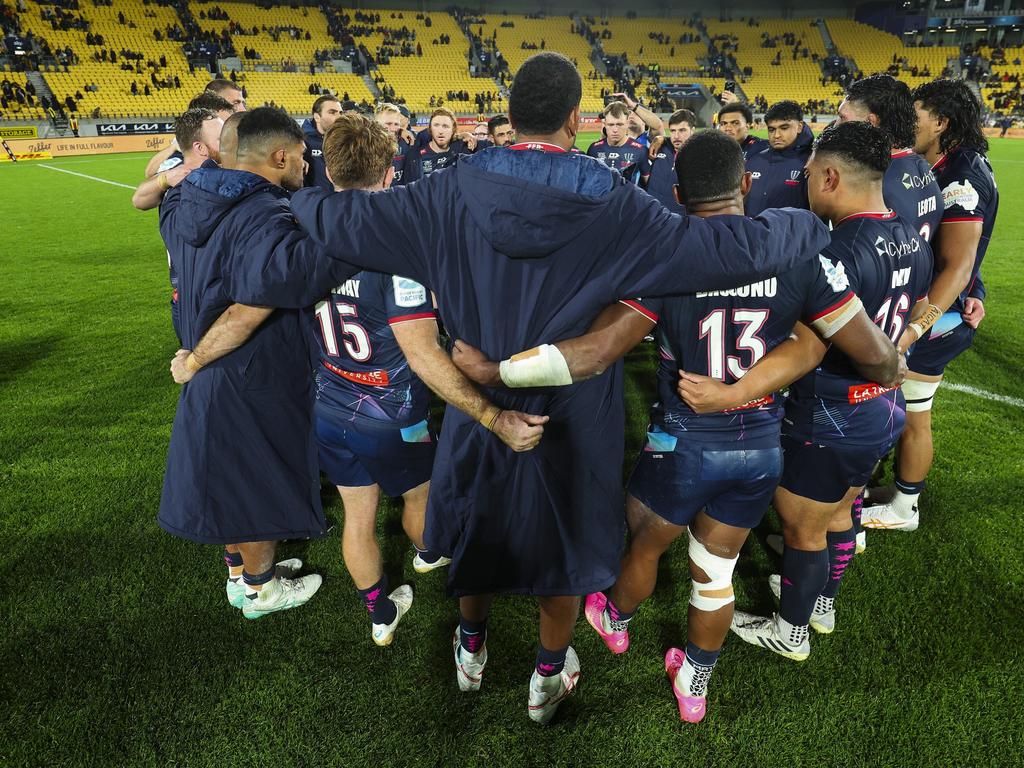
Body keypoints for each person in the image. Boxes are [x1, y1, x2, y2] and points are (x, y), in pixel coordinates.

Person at [288, 52, 830, 724]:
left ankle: (471, 651)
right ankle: (546, 678)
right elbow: (727, 250)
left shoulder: (442, 192)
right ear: (578, 118)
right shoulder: (619, 204)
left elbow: (336, 218)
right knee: (567, 562)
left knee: (477, 542)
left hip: (477, 412)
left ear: (509, 117)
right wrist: (808, 221)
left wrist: (296, 189)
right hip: (574, 421)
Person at [449, 128, 901, 724]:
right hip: (761, 448)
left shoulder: (666, 256)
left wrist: (494, 368)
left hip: (682, 445)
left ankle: (615, 622)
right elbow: (874, 358)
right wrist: (771, 374)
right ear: (745, 184)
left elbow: (596, 351)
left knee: (644, 546)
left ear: (680, 195)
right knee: (716, 572)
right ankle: (694, 685)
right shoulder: (798, 251)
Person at [175, 113, 548, 637]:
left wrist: (193, 357)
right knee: (421, 498)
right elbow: (422, 355)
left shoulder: (298, 230)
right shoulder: (394, 248)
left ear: (330, 172)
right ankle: (427, 555)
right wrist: (490, 414)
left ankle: (379, 614)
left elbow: (258, 303)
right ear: (391, 171)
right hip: (391, 411)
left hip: (330, 404)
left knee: (358, 515)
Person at [729, 122, 933, 659]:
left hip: (831, 412)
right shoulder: (912, 235)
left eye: (811, 175)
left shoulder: (835, 251)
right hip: (883, 409)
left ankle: (790, 631)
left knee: (803, 529)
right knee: (840, 512)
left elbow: (811, 346)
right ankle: (821, 602)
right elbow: (918, 309)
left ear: (830, 175)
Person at [157, 108, 354, 619]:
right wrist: (196, 358)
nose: (306, 165)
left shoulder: (185, 198)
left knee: (229, 478)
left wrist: (195, 353)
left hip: (209, 359)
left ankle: (239, 576)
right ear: (280, 155)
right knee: (258, 481)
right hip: (247, 367)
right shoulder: (266, 213)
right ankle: (262, 590)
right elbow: (253, 306)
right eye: (302, 156)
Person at [861, 79, 999, 532]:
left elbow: (957, 262)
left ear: (940, 122)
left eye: (915, 114)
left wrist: (919, 326)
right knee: (905, 412)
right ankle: (899, 497)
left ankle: (899, 509)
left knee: (909, 412)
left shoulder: (961, 176)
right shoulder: (938, 164)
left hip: (934, 320)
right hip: (936, 309)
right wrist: (976, 290)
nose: (907, 122)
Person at [134, 108, 223, 340]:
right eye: (221, 138)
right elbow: (139, 199)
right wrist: (164, 180)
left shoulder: (228, 170)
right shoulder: (175, 174)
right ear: (200, 148)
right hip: (193, 293)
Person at [744, 100, 814, 217]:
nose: (776, 135)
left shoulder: (812, 163)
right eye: (771, 129)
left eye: (784, 128)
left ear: (799, 127)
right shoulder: (754, 161)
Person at [588, 100, 652, 185]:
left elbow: (650, 186)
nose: (615, 130)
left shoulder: (640, 151)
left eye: (620, 124)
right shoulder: (594, 149)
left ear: (627, 123)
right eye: (611, 125)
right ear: (605, 124)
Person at [402, 108, 473, 182]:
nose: (440, 131)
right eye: (436, 125)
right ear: (430, 129)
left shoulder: (463, 150)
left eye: (445, 126)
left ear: (453, 130)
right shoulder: (415, 156)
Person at [645, 108, 694, 213]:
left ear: (692, 130)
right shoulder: (662, 146)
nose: (676, 136)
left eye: (682, 130)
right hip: (651, 214)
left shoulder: (699, 156)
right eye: (673, 131)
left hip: (679, 219)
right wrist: (660, 138)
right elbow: (655, 127)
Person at [303, 94, 342, 191]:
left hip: (340, 201)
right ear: (317, 117)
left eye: (340, 113)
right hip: (314, 202)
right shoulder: (300, 140)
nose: (339, 117)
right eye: (332, 112)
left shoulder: (345, 139)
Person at [717, 95, 768, 159]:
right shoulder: (715, 149)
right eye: (723, 124)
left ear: (747, 126)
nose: (728, 128)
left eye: (735, 123)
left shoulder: (762, 147)